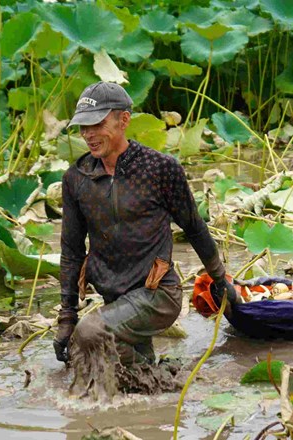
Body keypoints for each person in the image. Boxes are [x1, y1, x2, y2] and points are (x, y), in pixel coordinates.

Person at [54, 81, 241, 366]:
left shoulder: (159, 169)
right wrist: (67, 317)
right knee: (105, 368)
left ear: (124, 119)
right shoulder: (77, 178)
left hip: (157, 294)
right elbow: (71, 251)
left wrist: (220, 279)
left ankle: (153, 377)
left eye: (97, 124)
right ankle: (158, 381)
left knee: (91, 333)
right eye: (83, 127)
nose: (88, 134)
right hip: (114, 298)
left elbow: (193, 227)